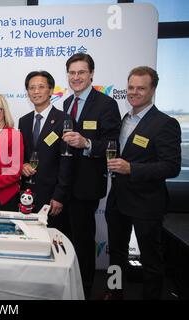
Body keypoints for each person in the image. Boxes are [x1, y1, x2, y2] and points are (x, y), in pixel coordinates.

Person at [104, 67, 181, 300]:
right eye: (131, 87)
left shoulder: (165, 123)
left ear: (153, 90)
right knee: (115, 254)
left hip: (147, 203)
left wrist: (132, 168)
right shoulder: (125, 119)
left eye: (141, 88)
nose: (134, 92)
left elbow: (171, 166)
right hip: (118, 199)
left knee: (150, 260)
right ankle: (114, 291)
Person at [62, 53, 122, 299]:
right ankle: (67, 283)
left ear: (91, 74)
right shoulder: (66, 103)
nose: (76, 77)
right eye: (72, 73)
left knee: (83, 240)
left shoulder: (106, 104)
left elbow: (113, 144)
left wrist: (86, 142)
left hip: (86, 185)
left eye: (81, 73)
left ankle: (84, 288)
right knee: (64, 238)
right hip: (64, 183)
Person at [18, 71, 73, 235]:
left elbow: (67, 162)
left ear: (50, 90)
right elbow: (23, 154)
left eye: (41, 87)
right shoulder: (24, 120)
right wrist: (23, 165)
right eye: (32, 88)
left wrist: (59, 195)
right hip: (26, 194)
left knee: (50, 240)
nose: (36, 91)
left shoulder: (64, 120)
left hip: (51, 196)